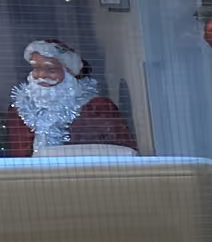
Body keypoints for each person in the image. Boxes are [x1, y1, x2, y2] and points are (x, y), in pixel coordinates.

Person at [5, 39, 139, 155]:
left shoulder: (97, 108)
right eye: (36, 68)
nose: (41, 76)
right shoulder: (20, 113)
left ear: (69, 72)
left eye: (50, 70)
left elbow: (121, 153)